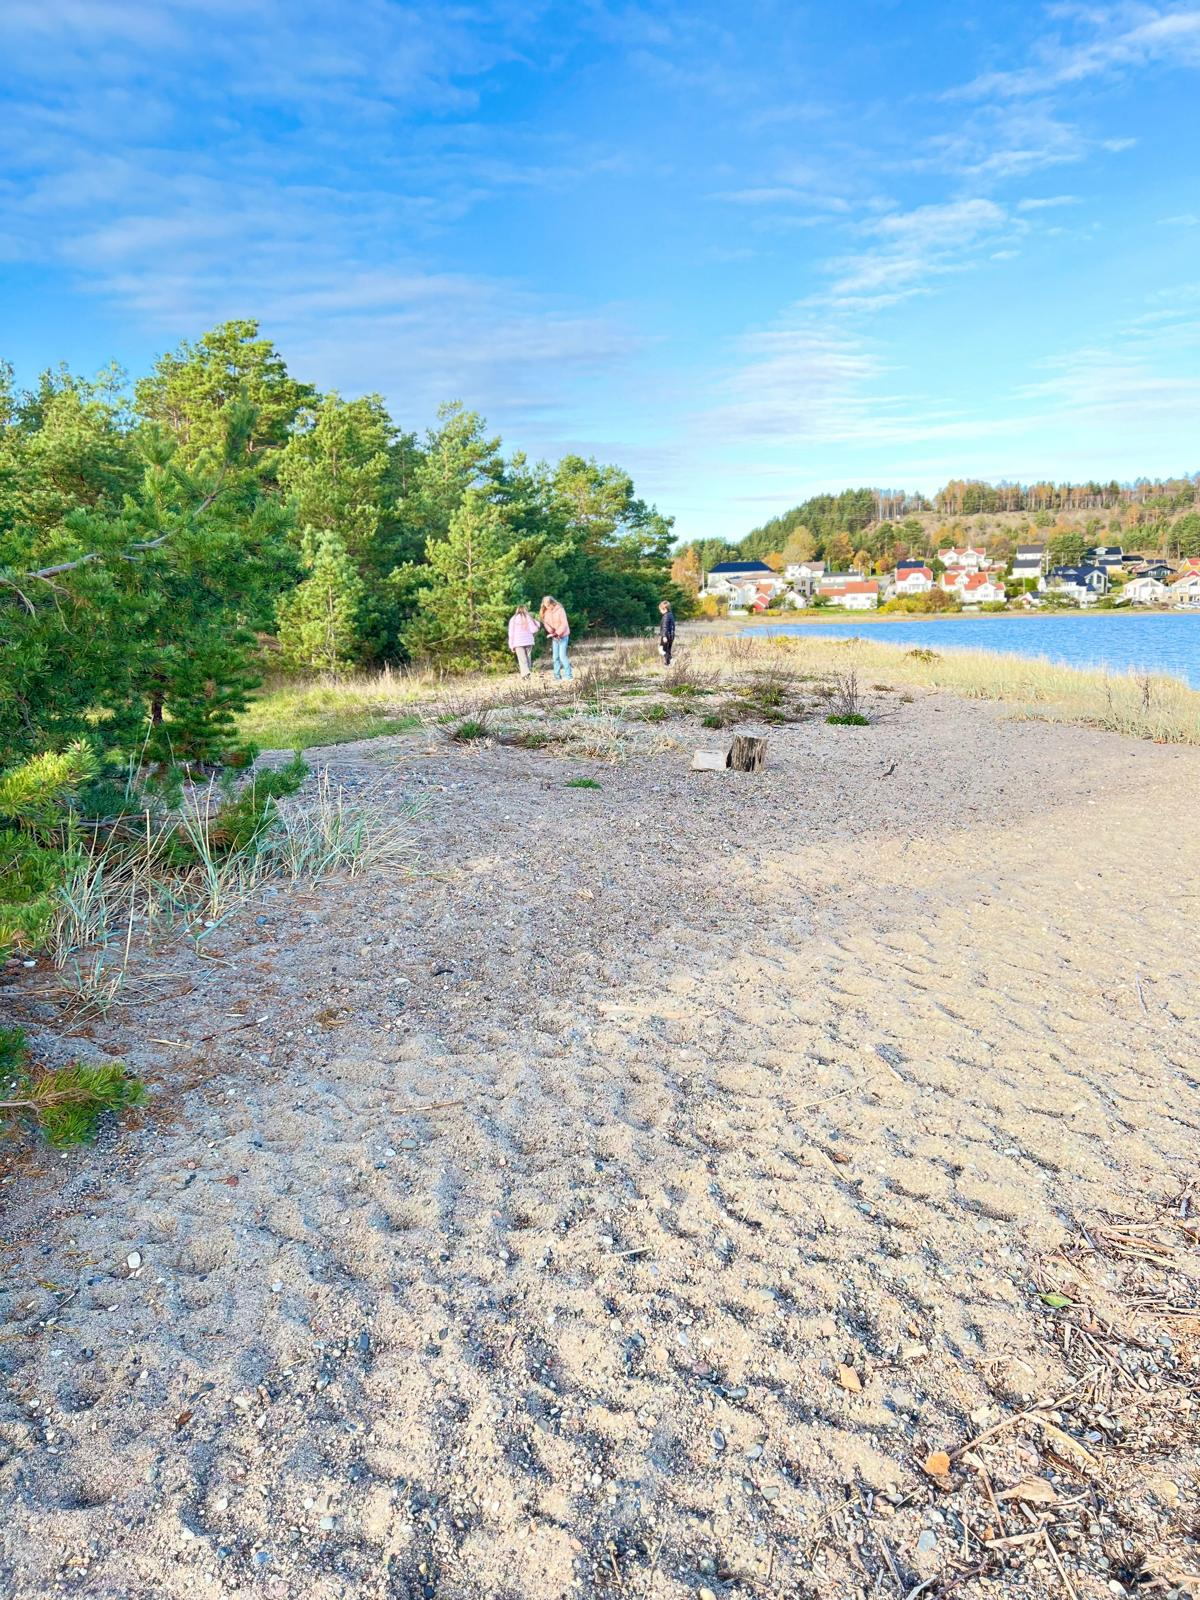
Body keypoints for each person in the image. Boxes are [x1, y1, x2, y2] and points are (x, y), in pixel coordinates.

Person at [539, 595, 572, 680]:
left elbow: (564, 624)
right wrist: (551, 632)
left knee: (562, 656)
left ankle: (569, 676)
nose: (548, 607)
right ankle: (557, 677)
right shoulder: (546, 612)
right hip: (554, 637)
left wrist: (557, 633)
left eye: (548, 605)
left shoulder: (560, 610)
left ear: (552, 603)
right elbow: (547, 624)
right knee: (555, 657)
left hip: (563, 636)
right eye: (546, 606)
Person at [507, 603, 540, 677]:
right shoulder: (528, 618)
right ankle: (527, 674)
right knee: (528, 658)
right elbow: (534, 630)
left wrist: (511, 645)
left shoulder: (513, 619)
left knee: (522, 660)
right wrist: (537, 622)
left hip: (518, 642)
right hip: (528, 641)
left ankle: (525, 674)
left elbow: (511, 633)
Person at [658, 599, 676, 666]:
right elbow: (673, 626)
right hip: (671, 635)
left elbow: (665, 627)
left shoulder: (666, 616)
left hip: (666, 635)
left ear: (665, 609)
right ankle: (667, 664)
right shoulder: (670, 615)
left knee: (661, 650)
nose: (660, 611)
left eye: (660, 609)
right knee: (668, 650)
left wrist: (664, 636)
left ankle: (671, 660)